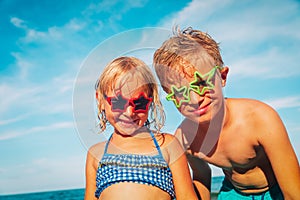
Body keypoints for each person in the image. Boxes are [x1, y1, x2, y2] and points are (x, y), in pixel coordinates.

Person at [153, 27, 300, 199]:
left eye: (201, 84)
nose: (194, 100)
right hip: (231, 192)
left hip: (276, 190)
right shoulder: (185, 139)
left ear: (222, 77)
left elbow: (293, 192)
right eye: (180, 92)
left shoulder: (260, 119)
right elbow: (201, 176)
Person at [84, 56, 198, 200]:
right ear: (100, 100)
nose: (129, 113)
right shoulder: (96, 154)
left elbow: (187, 196)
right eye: (118, 102)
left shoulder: (167, 145)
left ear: (151, 102)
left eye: (139, 103)